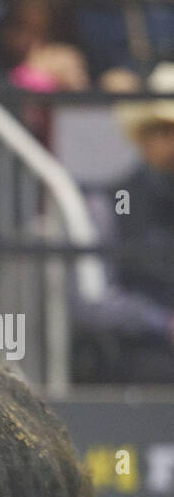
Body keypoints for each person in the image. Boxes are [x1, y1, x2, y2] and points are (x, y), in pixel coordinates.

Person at [72, 62, 174, 383]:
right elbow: (92, 301)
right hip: (141, 353)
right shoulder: (108, 204)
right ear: (143, 137)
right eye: (165, 131)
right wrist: (162, 323)